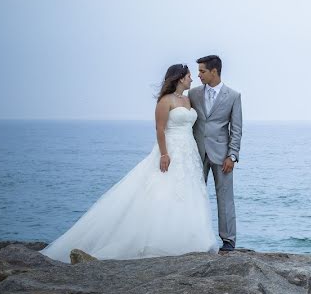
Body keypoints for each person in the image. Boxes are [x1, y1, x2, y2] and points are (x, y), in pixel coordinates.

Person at [41, 64, 218, 262]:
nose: (191, 79)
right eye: (188, 76)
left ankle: (190, 237)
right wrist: (164, 154)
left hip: (189, 150)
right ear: (179, 79)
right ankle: (159, 238)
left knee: (189, 191)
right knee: (165, 189)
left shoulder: (188, 99)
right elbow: (160, 130)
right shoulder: (165, 101)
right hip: (172, 148)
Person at [188, 55, 243, 252]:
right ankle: (192, 237)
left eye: (202, 71)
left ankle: (228, 241)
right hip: (196, 153)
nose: (198, 75)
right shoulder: (193, 94)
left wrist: (232, 155)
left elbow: (236, 129)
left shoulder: (233, 96)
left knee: (225, 197)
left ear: (214, 71)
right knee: (193, 195)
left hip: (222, 156)